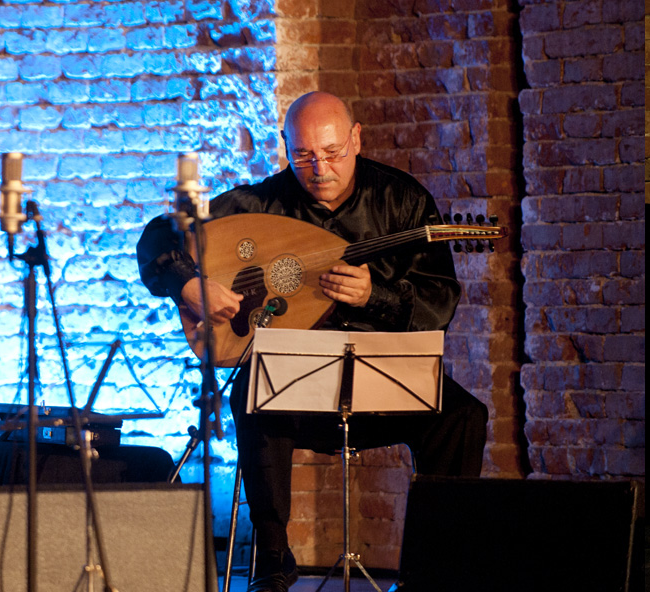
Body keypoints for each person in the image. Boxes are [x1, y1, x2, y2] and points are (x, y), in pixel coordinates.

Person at [136, 92, 487, 592]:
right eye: (303, 155)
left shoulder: (403, 201)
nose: (319, 168)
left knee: (462, 417)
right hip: (296, 391)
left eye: (333, 152)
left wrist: (376, 296)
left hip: (382, 383)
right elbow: (159, 237)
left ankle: (437, 570)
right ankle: (274, 561)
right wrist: (188, 284)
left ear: (357, 138)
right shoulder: (263, 202)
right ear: (285, 148)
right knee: (253, 392)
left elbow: (440, 302)